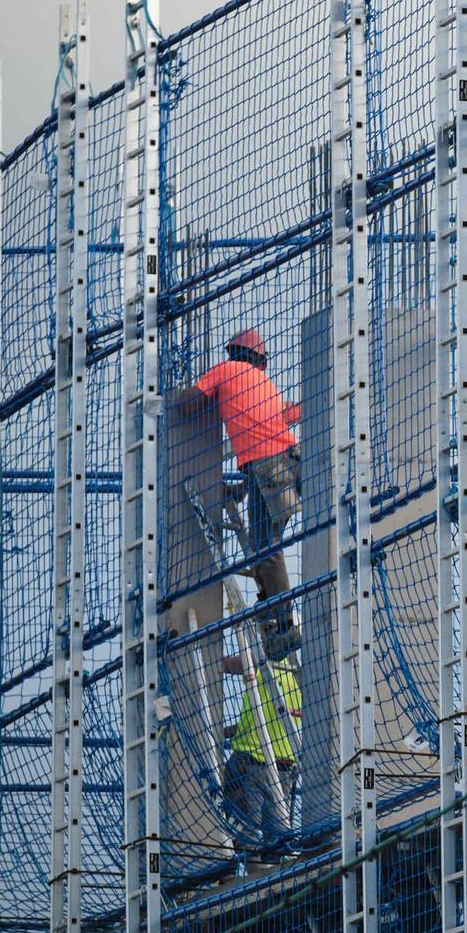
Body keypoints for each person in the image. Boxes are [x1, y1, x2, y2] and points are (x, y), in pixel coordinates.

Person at [178, 328, 301, 656]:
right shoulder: (265, 384)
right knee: (265, 545)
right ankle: (275, 616)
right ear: (260, 359)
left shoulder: (226, 370)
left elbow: (191, 405)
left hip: (270, 469)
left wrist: (167, 396)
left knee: (267, 549)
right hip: (289, 465)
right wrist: (242, 489)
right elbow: (263, 442)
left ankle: (285, 623)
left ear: (233, 352)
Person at [221, 649, 300, 857]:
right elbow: (263, 721)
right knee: (277, 843)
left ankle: (249, 879)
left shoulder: (264, 664)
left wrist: (208, 652)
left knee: (247, 839)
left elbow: (227, 664)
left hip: (250, 765)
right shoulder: (298, 677)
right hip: (282, 769)